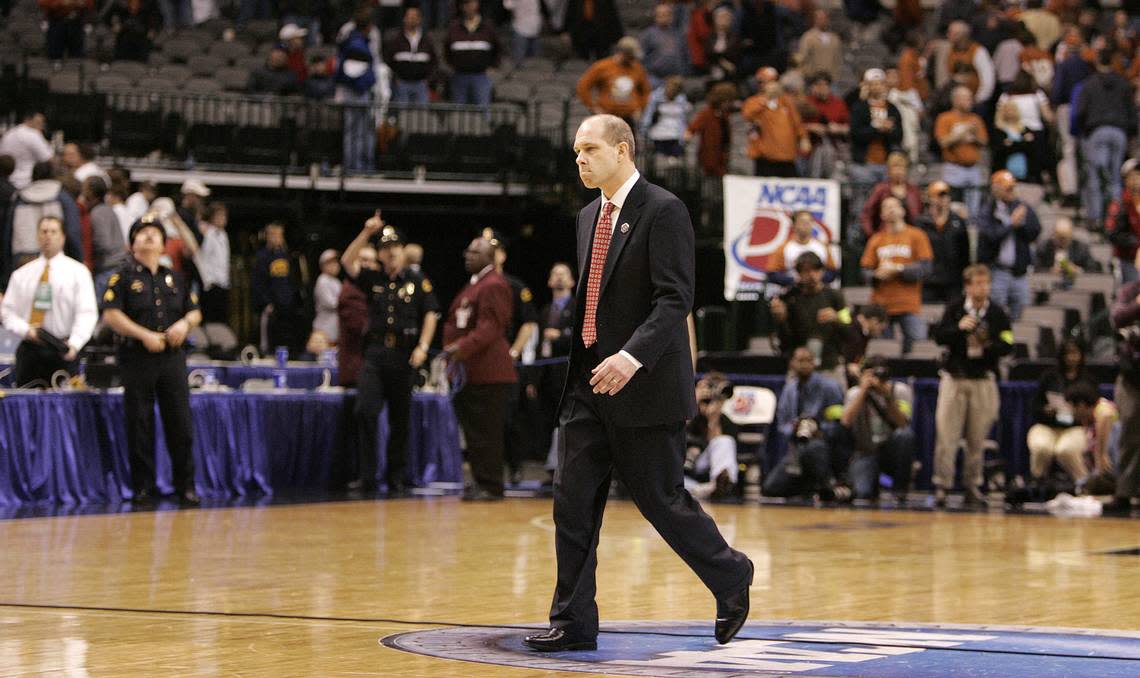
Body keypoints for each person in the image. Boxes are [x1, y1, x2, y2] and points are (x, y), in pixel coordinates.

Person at [524, 115, 752, 654]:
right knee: (572, 503)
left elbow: (674, 298)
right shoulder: (587, 216)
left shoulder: (664, 209)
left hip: (641, 384)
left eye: (589, 149)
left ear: (623, 150)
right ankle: (573, 621)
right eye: (576, 151)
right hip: (588, 384)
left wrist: (630, 357)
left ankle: (730, 574)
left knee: (662, 501)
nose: (579, 159)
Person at [101, 214, 202, 506]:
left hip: (172, 358)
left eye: (154, 233)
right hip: (137, 357)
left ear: (163, 243)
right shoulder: (123, 277)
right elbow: (111, 314)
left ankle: (186, 486)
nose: (148, 237)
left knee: (180, 423)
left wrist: (185, 324)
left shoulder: (176, 278)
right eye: (141, 233)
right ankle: (143, 487)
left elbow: (195, 311)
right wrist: (143, 334)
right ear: (132, 243)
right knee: (140, 423)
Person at [342, 215, 439, 496]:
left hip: (404, 354)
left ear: (403, 249)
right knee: (365, 411)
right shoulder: (372, 277)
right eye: (385, 247)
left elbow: (431, 312)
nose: (391, 251)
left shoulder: (417, 279)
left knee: (401, 418)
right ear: (381, 253)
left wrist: (423, 346)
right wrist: (365, 232)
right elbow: (347, 262)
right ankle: (368, 476)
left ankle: (396, 477)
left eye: (395, 246)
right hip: (375, 353)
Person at [931, 264, 1014, 508]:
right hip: (955, 378)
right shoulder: (955, 309)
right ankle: (942, 485)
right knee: (947, 436)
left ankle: (972, 485)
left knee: (978, 438)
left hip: (983, 379)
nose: (983, 288)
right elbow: (938, 336)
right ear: (967, 286)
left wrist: (988, 342)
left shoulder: (998, 313)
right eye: (978, 283)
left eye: (986, 283)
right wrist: (959, 330)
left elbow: (1008, 344)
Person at [442, 235, 515, 501]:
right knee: (474, 432)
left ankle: (492, 485)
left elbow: (491, 327)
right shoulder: (475, 284)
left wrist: (461, 346)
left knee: (487, 432)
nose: (468, 255)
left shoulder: (494, 284)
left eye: (475, 251)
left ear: (490, 257)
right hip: (470, 372)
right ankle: (481, 480)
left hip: (488, 371)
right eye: (468, 250)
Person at [0, 216, 97, 386]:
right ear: (38, 236)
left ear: (62, 237)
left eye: (53, 232)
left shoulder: (78, 272)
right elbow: (7, 312)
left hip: (64, 349)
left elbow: (87, 313)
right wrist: (25, 330)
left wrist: (75, 343)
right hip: (30, 349)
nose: (48, 236)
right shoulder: (22, 274)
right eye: (44, 231)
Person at [762, 345, 844, 498]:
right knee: (770, 488)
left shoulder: (830, 387)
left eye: (808, 360)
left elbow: (840, 424)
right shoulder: (789, 389)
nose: (804, 364)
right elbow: (782, 425)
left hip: (823, 445)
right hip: (796, 448)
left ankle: (828, 485)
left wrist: (819, 430)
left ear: (814, 363)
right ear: (792, 363)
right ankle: (806, 486)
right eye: (800, 360)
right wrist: (793, 428)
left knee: (814, 449)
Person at [1026, 338, 1102, 491]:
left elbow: (1093, 410)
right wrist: (1045, 411)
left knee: (1065, 450)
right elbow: (1035, 407)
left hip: (1076, 427)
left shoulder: (1089, 379)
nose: (1071, 358)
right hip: (1048, 424)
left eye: (1075, 353)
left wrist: (1076, 413)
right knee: (1042, 447)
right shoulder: (1049, 377)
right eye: (1068, 354)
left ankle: (1085, 485)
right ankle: (1036, 487)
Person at [860, 196, 933, 353]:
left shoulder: (917, 235)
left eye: (894, 206)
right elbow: (865, 271)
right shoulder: (876, 239)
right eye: (886, 207)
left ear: (903, 210)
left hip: (909, 304)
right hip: (880, 306)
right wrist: (877, 275)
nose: (891, 209)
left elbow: (925, 268)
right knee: (883, 352)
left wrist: (899, 269)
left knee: (919, 347)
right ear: (881, 215)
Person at [838, 355, 916, 502]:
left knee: (905, 436)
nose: (876, 378)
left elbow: (902, 424)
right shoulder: (854, 393)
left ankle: (900, 489)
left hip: (891, 451)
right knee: (862, 494)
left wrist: (888, 397)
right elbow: (846, 422)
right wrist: (863, 390)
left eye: (880, 374)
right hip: (865, 452)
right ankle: (871, 484)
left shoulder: (900, 390)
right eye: (872, 374)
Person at [1074, 49, 1137, 226]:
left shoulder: (1089, 84)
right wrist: (1131, 133)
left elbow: (1080, 112)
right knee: (1115, 176)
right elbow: (1131, 111)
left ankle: (1095, 218)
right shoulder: (1123, 83)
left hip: (1097, 131)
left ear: (1097, 62)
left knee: (1095, 176)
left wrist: (1083, 131)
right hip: (1119, 132)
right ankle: (1115, 218)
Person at [769, 251, 849, 386]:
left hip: (830, 364)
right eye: (806, 271)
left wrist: (836, 319)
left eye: (815, 270)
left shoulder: (835, 297)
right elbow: (783, 341)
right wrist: (781, 320)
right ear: (798, 274)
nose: (811, 275)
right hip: (800, 366)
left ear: (822, 272)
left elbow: (849, 331)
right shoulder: (790, 298)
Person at [2, 161, 83, 291]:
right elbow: (73, 232)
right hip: (56, 258)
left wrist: (5, 275)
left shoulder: (19, 199)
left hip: (23, 259)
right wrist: (78, 260)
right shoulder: (62, 197)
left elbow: (7, 236)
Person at [977, 170, 1041, 322]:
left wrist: (1022, 223)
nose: (1012, 191)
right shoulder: (988, 211)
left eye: (1013, 187)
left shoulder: (1021, 207)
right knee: (995, 314)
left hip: (1019, 273)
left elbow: (1035, 231)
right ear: (996, 189)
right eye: (1008, 188)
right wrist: (1011, 224)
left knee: (1021, 316)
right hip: (997, 271)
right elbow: (991, 236)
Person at [1107, 262, 1140, 515]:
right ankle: (1124, 492)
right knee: (1128, 434)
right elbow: (1117, 317)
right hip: (1131, 377)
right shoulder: (1130, 291)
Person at [576, 37, 652, 131]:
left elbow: (646, 90)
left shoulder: (637, 68)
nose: (633, 60)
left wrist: (641, 108)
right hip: (607, 117)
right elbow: (583, 87)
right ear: (622, 54)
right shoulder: (602, 67)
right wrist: (593, 107)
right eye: (631, 56)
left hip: (629, 118)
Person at [252, 222, 305, 356]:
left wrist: (294, 301)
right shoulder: (262, 257)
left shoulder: (287, 256)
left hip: (287, 306)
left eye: (279, 235)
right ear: (267, 236)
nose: (276, 238)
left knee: (287, 337)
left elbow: (293, 281)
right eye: (273, 235)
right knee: (269, 341)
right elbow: (258, 282)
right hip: (271, 307)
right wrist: (266, 303)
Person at [935, 85, 989, 217]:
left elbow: (984, 142)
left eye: (970, 98)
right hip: (953, 169)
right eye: (966, 98)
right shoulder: (945, 118)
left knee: (973, 211)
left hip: (973, 169)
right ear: (956, 100)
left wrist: (974, 136)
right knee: (952, 207)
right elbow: (943, 142)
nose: (970, 101)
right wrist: (963, 132)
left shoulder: (975, 119)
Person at [335, 7, 378, 173]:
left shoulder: (357, 41)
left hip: (355, 91)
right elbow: (352, 73)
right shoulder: (356, 44)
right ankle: (356, 166)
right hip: (356, 93)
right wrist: (369, 82)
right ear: (368, 27)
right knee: (357, 131)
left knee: (357, 131)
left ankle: (358, 165)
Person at [685, 373, 740, 500]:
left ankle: (721, 485)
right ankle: (704, 490)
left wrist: (713, 420)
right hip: (681, 466)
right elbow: (675, 434)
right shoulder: (687, 413)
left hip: (703, 465)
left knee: (725, 441)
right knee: (670, 483)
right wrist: (692, 402)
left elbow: (718, 448)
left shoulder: (726, 422)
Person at [741, 78, 809, 177]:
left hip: (788, 156)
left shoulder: (785, 102)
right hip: (766, 157)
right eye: (768, 82)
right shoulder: (754, 101)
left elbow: (797, 122)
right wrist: (765, 100)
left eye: (774, 82)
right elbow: (747, 115)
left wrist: (804, 137)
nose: (773, 86)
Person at [916, 180, 969, 303]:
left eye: (945, 195)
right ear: (929, 198)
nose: (943, 199)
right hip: (928, 281)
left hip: (953, 281)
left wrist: (965, 279)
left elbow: (965, 253)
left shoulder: (958, 221)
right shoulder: (920, 223)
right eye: (939, 195)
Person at [336, 245, 378, 388]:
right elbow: (361, 328)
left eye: (372, 261)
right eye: (363, 260)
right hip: (356, 371)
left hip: (368, 370)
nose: (368, 264)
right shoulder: (352, 292)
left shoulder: (373, 291)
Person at [444, 0, 501, 106]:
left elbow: (497, 49)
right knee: (458, 113)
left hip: (481, 76)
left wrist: (493, 66)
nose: (469, 6)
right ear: (461, 6)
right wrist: (452, 66)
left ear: (477, 4)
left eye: (472, 3)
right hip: (459, 76)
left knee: (483, 110)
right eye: (466, 3)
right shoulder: (454, 27)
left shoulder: (488, 27)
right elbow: (446, 51)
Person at [859, 151, 923, 239]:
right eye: (895, 168)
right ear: (889, 171)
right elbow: (866, 214)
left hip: (910, 237)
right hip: (886, 236)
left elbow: (920, 214)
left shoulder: (913, 190)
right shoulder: (880, 189)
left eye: (901, 168)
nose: (898, 171)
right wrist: (873, 236)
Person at [765, 209, 837, 286]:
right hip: (793, 292)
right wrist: (795, 281)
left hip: (818, 292)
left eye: (809, 222)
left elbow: (832, 272)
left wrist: (816, 279)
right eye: (802, 222)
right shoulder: (784, 248)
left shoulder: (822, 247)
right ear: (794, 225)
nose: (806, 225)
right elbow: (772, 274)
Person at [383, 5, 437, 105]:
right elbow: (388, 60)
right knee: (402, 114)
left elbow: (434, 62)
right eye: (409, 16)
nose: (412, 19)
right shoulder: (396, 40)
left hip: (421, 84)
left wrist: (428, 79)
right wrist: (395, 78)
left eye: (415, 16)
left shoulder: (427, 40)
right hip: (401, 83)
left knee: (421, 116)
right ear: (404, 19)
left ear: (420, 19)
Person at [684, 81, 735, 178]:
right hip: (708, 153)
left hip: (722, 153)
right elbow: (693, 127)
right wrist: (688, 134)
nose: (728, 104)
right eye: (726, 101)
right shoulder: (707, 113)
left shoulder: (725, 115)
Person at [1034, 216, 1101, 283]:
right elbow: (1036, 268)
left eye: (1065, 238)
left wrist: (1078, 270)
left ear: (1071, 235)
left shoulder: (1081, 248)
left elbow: (1093, 268)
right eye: (1059, 237)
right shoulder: (1044, 248)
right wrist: (1049, 271)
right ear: (1054, 235)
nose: (1062, 241)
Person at [195, 202, 230, 325]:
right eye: (219, 216)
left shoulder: (223, 235)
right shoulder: (208, 233)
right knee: (210, 318)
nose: (222, 219)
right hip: (211, 284)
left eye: (224, 216)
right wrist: (207, 280)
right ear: (212, 217)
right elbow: (202, 258)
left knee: (221, 319)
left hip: (222, 283)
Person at [641, 76, 692, 162]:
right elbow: (648, 115)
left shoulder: (681, 99)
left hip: (675, 134)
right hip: (658, 135)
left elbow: (683, 119)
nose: (671, 93)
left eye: (675, 92)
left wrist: (684, 133)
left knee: (675, 161)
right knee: (659, 161)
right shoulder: (655, 97)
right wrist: (644, 131)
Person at [0, 112, 52, 190]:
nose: (41, 126)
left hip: (7, 182)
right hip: (27, 183)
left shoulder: (9, 133)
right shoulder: (34, 134)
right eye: (38, 122)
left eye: (42, 123)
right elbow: (49, 159)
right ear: (28, 120)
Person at [640, 2, 689, 85]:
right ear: (655, 16)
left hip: (676, 79)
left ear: (672, 16)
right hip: (655, 79)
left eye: (666, 14)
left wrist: (683, 72)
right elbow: (641, 57)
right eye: (660, 14)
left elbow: (686, 55)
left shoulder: (678, 35)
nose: (664, 17)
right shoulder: (648, 35)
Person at [1106, 166, 1140, 282]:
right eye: (1133, 177)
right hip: (1127, 259)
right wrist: (1135, 242)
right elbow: (1112, 233)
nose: (1136, 180)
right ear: (1126, 180)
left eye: (1138, 176)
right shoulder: (1121, 204)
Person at [842, 303, 887, 386]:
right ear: (874, 321)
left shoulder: (864, 335)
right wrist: (848, 366)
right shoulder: (848, 329)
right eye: (880, 328)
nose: (879, 333)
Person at [795, 9, 841, 82]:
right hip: (812, 78)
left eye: (824, 18)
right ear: (814, 20)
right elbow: (802, 57)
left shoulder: (834, 38)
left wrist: (836, 75)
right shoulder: (808, 37)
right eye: (820, 18)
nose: (823, 21)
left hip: (830, 78)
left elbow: (838, 59)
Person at [311, 249, 342, 346]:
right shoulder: (322, 280)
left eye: (336, 262)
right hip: (324, 330)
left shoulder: (336, 282)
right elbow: (332, 303)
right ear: (323, 266)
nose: (335, 265)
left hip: (335, 329)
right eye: (330, 263)